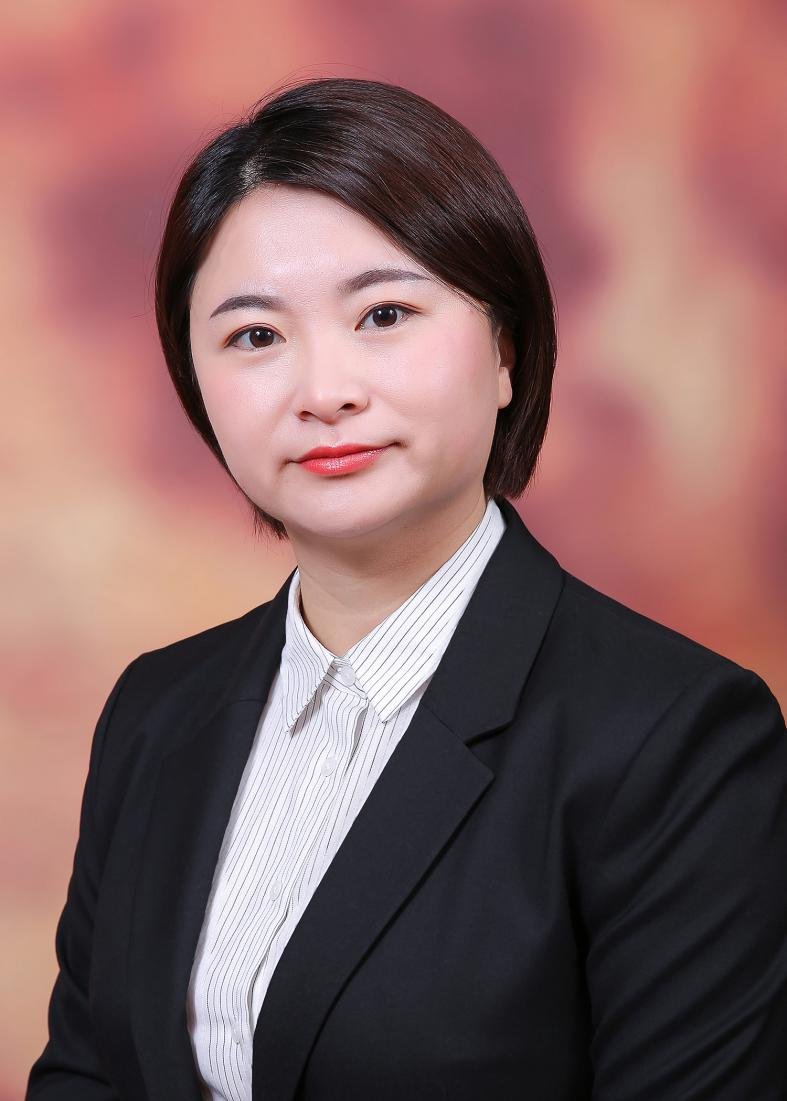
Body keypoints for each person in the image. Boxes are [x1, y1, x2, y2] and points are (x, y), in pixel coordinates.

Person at [27, 76, 787, 1101]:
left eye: (383, 314)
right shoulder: (156, 713)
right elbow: (85, 1074)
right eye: (255, 336)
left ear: (506, 350)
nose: (324, 391)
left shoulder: (674, 737)